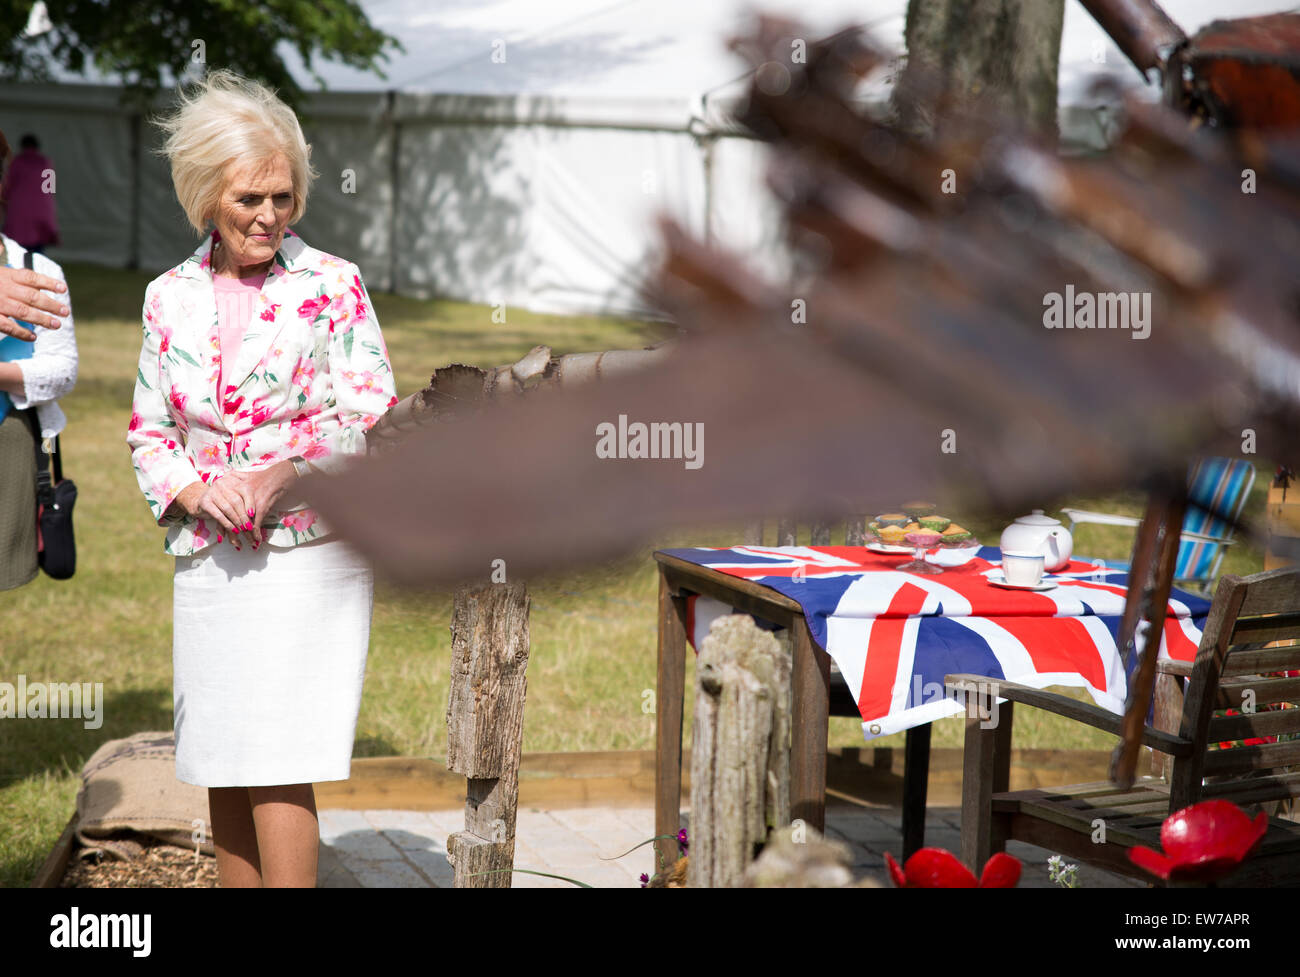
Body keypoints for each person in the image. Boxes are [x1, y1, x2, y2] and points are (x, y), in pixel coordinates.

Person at [127, 70, 398, 888]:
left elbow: (375, 419)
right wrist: (197, 491)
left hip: (306, 555)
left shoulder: (333, 285)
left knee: (279, 753)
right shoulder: (166, 297)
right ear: (208, 195)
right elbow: (149, 432)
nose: (270, 216)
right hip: (211, 559)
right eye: (250, 198)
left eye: (283, 196)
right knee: (222, 755)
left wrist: (290, 471)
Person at [0, 129, 77, 591]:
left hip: (13, 439)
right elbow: (46, 208)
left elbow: (61, 368)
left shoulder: (39, 271)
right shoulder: (44, 166)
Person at [1, 134, 60, 254]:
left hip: (19, 210)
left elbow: (7, 187)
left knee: (17, 250)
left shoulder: (16, 162)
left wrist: (4, 202)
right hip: (41, 209)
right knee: (38, 249)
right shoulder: (46, 163)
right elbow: (50, 189)